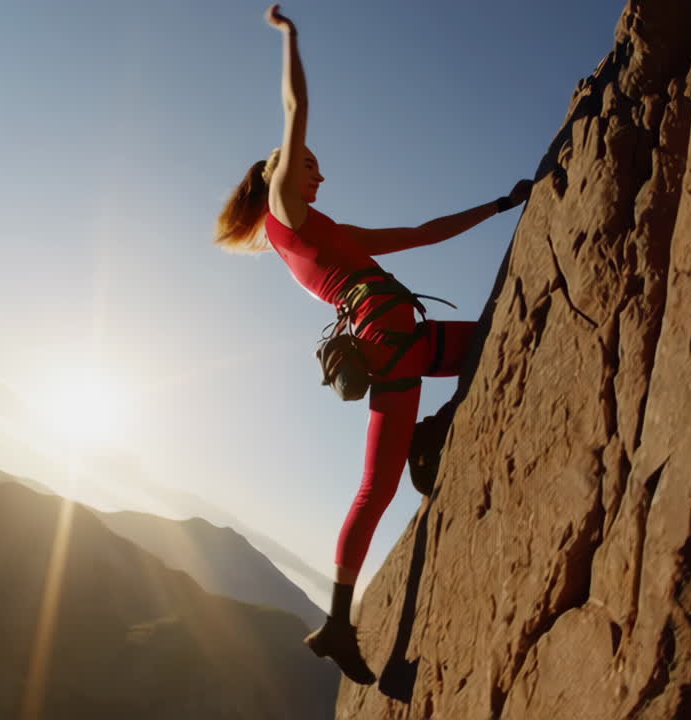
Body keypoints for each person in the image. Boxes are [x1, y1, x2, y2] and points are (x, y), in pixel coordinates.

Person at [215, 5, 531, 685]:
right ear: (283, 172)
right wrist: (290, 37)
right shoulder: (287, 214)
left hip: (398, 336)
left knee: (384, 478)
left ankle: (339, 617)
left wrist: (501, 207)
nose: (319, 177)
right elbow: (295, 105)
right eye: (311, 167)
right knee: (376, 484)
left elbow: (420, 232)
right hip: (388, 335)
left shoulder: (324, 231)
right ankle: (338, 616)